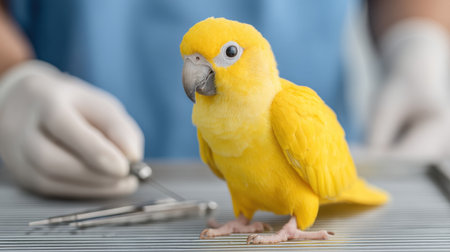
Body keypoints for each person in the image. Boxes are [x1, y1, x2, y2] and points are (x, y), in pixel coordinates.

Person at [0, 0, 448, 198]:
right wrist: (12, 81)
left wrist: (419, 42)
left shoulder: (291, 114)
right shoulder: (208, 125)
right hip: (53, 158)